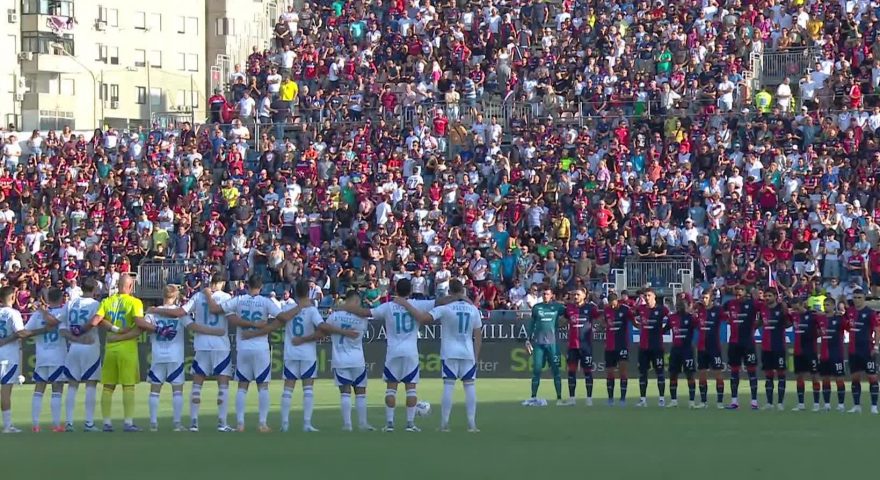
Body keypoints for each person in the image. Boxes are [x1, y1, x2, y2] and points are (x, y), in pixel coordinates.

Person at [245, 279, 356, 432]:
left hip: (291, 353)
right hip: (307, 354)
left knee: (287, 390)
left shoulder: (289, 308)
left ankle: (284, 424)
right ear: (308, 292)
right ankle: (306, 424)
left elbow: (273, 326)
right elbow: (322, 327)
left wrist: (253, 333)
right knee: (308, 389)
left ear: (295, 293)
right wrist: (343, 331)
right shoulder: (312, 310)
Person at [339, 278, 435, 432]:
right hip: (410, 352)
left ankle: (390, 424)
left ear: (396, 290)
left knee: (391, 389)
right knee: (411, 389)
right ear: (410, 291)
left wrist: (345, 308)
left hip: (393, 352)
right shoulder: (417, 304)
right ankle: (410, 424)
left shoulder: (388, 307)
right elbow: (440, 302)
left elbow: (365, 312)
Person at [150, 273, 234, 432]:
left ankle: (194, 423)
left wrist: (155, 309)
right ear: (222, 282)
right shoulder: (226, 297)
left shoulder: (198, 296)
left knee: (197, 386)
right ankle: (222, 423)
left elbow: (181, 312)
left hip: (201, 345)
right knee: (223, 385)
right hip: (220, 345)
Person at [203, 274, 287, 432]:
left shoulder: (239, 300)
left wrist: (207, 293)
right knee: (263, 386)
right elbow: (282, 318)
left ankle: (240, 423)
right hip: (261, 348)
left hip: (243, 348)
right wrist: (265, 328)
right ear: (261, 286)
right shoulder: (266, 301)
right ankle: (262, 423)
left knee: (242, 386)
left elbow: (216, 310)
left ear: (247, 285)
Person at [399, 279, 482, 432]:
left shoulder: (446, 308)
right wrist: (475, 356)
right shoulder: (473, 310)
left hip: (450, 352)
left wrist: (406, 305)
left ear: (449, 291)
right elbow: (478, 335)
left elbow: (423, 319)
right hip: (467, 352)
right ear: (463, 291)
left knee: (448, 387)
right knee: (470, 387)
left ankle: (444, 424)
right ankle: (472, 424)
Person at [87, 274, 150, 432]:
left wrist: (115, 331)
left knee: (108, 387)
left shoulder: (107, 301)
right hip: (127, 348)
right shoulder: (135, 302)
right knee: (128, 386)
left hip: (110, 347)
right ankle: (128, 422)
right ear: (130, 286)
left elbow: (99, 319)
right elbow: (138, 324)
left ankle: (107, 423)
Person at [325, 289, 373, 431]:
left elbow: (325, 328)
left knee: (345, 392)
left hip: (340, 359)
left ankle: (347, 424)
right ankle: (363, 423)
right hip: (357, 358)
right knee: (361, 393)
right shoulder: (361, 319)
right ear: (355, 301)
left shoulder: (335, 316)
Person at [61, 278, 102, 431]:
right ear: (94, 290)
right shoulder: (96, 304)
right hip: (90, 345)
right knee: (91, 384)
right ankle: (89, 423)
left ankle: (69, 423)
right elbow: (96, 321)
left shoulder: (70, 303)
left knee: (72, 385)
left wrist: (74, 338)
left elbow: (62, 328)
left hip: (73, 347)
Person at [22, 289, 64, 432]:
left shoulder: (37, 315)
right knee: (57, 389)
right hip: (58, 357)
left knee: (39, 390)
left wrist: (38, 330)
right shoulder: (64, 312)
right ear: (61, 298)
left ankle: (35, 425)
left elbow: (24, 333)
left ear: (47, 298)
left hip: (42, 356)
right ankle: (56, 425)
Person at [524, 286, 565, 406]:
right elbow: (532, 324)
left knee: (556, 371)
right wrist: (528, 339)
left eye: (547, 294)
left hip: (552, 343)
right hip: (539, 343)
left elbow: (569, 313)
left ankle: (559, 398)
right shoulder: (537, 308)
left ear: (552, 295)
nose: (545, 296)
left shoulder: (558, 307)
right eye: (544, 294)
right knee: (536, 370)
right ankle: (533, 397)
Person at [560, 288, 600, 406]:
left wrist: (597, 327)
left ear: (584, 296)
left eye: (578, 294)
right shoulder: (569, 308)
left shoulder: (590, 308)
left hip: (585, 346)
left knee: (587, 372)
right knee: (571, 372)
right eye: (574, 294)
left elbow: (600, 318)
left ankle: (589, 398)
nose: (575, 296)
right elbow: (563, 321)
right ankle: (572, 399)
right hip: (572, 346)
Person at [724, 285, 761, 410]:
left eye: (740, 294)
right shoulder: (730, 304)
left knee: (751, 371)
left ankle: (754, 401)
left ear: (745, 293)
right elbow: (719, 312)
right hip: (734, 343)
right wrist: (728, 319)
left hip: (748, 343)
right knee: (734, 371)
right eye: (736, 294)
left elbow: (766, 311)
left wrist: (758, 324)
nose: (738, 297)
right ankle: (734, 401)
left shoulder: (753, 304)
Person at [845, 289, 880, 414]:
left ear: (864, 298)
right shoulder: (850, 312)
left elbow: (877, 330)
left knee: (872, 377)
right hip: (853, 350)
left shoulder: (870, 313)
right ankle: (856, 405)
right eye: (855, 297)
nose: (856, 300)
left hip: (867, 349)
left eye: (859, 297)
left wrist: (876, 347)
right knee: (855, 378)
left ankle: (874, 406)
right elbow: (847, 326)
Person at [635, 289, 669, 407]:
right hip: (643, 347)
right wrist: (637, 325)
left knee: (660, 372)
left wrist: (663, 330)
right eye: (645, 296)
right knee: (643, 373)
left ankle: (661, 399)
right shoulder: (641, 309)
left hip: (657, 347)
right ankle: (643, 399)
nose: (647, 297)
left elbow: (672, 319)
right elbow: (630, 315)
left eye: (649, 295)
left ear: (654, 296)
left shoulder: (662, 309)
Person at [694, 291, 727, 409]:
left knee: (718, 374)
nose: (703, 299)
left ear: (711, 298)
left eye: (706, 297)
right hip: (702, 347)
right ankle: (703, 402)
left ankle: (719, 402)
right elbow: (696, 323)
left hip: (714, 347)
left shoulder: (718, 310)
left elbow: (728, 318)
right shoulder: (700, 310)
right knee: (702, 374)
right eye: (702, 297)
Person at [759, 290, 790, 411]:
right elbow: (760, 322)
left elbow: (788, 324)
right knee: (768, 375)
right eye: (765, 296)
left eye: (769, 296)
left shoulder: (781, 309)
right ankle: (769, 402)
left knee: (781, 374)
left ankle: (780, 403)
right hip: (766, 347)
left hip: (779, 347)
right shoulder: (763, 309)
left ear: (776, 297)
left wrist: (784, 308)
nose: (766, 298)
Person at [0, 286, 25, 433]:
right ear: (13, 297)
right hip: (8, 356)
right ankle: (8, 425)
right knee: (6, 391)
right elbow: (20, 333)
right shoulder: (13, 313)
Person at [603, 292, 634, 406]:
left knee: (623, 372)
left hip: (622, 345)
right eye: (610, 303)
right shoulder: (606, 311)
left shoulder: (625, 309)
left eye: (613, 303)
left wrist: (642, 327)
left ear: (617, 301)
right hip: (610, 346)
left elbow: (634, 321)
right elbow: (604, 322)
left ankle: (622, 399)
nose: (612, 306)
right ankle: (610, 399)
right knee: (610, 373)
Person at [791, 297, 821, 412]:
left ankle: (817, 404)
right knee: (799, 377)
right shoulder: (793, 316)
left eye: (797, 308)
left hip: (810, 351)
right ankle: (801, 404)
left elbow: (821, 327)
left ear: (802, 304)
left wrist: (814, 336)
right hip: (798, 351)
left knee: (814, 376)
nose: (796, 310)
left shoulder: (813, 316)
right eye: (794, 309)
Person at [666, 294, 697, 408]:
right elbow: (664, 329)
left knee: (690, 375)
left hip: (687, 350)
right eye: (678, 304)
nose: (679, 306)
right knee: (673, 375)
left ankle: (692, 401)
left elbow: (701, 327)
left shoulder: (691, 318)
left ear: (686, 305)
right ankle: (674, 400)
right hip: (675, 350)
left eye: (682, 304)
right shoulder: (672, 318)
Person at [819, 298, 848, 412]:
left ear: (833, 306)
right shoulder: (820, 319)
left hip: (837, 354)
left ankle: (841, 405)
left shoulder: (839, 319)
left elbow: (848, 328)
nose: (826, 307)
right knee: (825, 380)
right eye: (824, 305)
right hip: (824, 354)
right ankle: (827, 405)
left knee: (839, 380)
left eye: (828, 305)